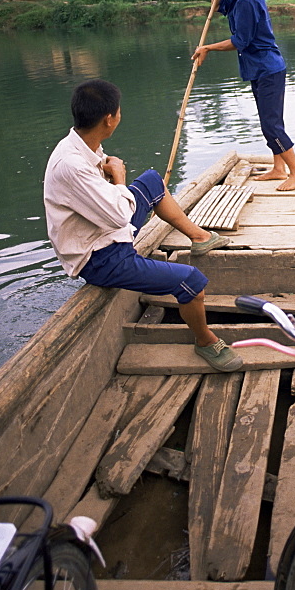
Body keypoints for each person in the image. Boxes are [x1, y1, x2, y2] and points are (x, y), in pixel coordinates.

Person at [43, 79, 243, 372]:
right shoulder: (71, 164)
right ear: (109, 119)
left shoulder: (84, 144)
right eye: (118, 111)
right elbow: (120, 216)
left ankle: (199, 236)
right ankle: (205, 341)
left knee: (151, 181)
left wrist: (110, 175)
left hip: (106, 230)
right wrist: (119, 177)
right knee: (192, 282)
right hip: (100, 256)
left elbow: (109, 207)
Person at [192, 0, 295, 192]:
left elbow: (240, 41)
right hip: (260, 68)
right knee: (271, 120)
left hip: (268, 69)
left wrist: (208, 47)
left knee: (271, 123)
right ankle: (279, 169)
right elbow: (217, 5)